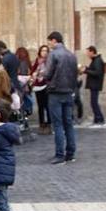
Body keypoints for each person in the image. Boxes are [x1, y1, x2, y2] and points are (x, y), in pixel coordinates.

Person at [43, 31, 79, 165]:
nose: (49, 45)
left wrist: (42, 74)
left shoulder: (53, 54)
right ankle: (70, 153)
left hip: (56, 92)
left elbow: (48, 74)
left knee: (58, 125)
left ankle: (59, 155)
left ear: (54, 40)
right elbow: (75, 74)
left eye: (49, 42)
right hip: (68, 92)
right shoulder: (71, 55)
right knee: (68, 124)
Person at [82, 46, 106, 126]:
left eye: (88, 52)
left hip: (95, 84)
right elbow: (94, 70)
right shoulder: (95, 60)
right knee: (93, 102)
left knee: (94, 102)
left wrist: (86, 70)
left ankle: (100, 119)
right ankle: (97, 119)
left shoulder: (97, 61)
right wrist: (87, 68)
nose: (87, 54)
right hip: (94, 84)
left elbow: (97, 72)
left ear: (92, 52)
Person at [31, 45, 51, 135]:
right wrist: (35, 73)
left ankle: (49, 125)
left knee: (47, 106)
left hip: (47, 85)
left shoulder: (50, 61)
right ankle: (41, 124)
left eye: (46, 51)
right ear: (40, 52)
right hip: (38, 86)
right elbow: (32, 71)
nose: (44, 52)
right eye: (43, 50)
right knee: (40, 106)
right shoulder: (37, 60)